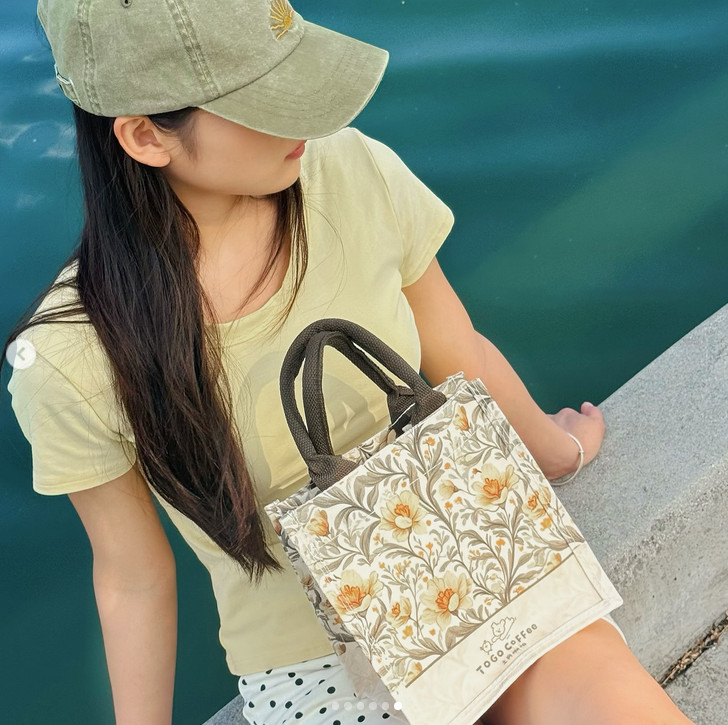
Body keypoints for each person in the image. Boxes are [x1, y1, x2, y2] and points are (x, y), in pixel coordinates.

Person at [3, 1, 695, 724]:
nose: (307, 114)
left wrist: (555, 450)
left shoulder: (348, 168)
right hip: (311, 664)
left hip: (470, 556)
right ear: (146, 135)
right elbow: (133, 579)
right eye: (264, 98)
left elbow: (459, 355)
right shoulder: (69, 358)